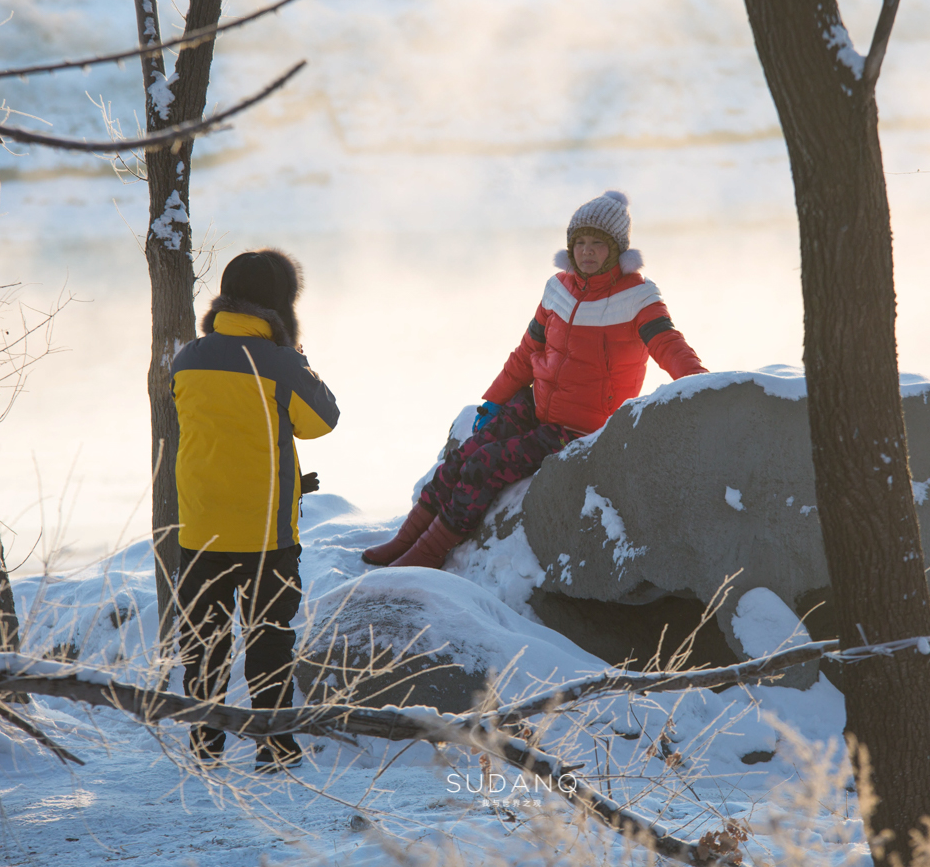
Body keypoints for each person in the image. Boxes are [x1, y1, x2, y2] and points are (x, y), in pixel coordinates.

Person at [363, 190, 706, 569]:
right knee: (466, 453)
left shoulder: (638, 298)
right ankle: (406, 539)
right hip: (538, 404)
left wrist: (705, 388)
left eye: (598, 244)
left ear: (617, 250)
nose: (587, 252)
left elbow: (669, 345)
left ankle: (426, 554)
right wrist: (494, 400)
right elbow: (528, 351)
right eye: (580, 243)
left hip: (579, 427)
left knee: (486, 464)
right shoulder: (558, 288)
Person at [171, 248, 338, 771]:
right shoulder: (280, 363)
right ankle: (275, 746)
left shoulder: (188, 358)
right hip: (267, 531)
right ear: (282, 305)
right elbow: (322, 421)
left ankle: (206, 744)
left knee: (205, 638)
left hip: (200, 527)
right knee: (269, 639)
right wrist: (296, 358)